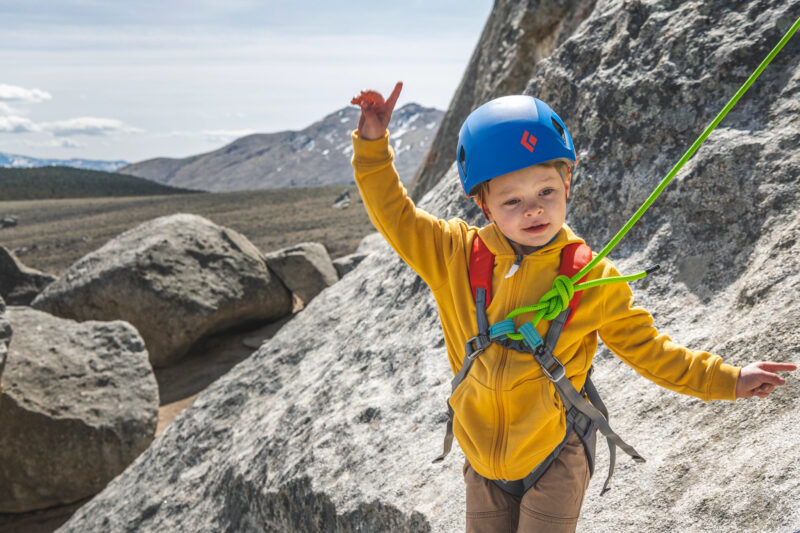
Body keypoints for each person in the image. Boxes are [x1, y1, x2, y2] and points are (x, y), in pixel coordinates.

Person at [349, 81, 796, 533]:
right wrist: (372, 146)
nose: (533, 210)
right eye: (512, 200)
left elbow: (651, 352)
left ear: (567, 182)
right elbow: (395, 216)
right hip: (482, 459)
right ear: (482, 205)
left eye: (546, 191)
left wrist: (730, 379)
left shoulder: (591, 277)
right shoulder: (454, 256)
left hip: (557, 456)